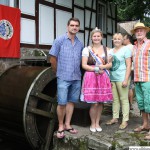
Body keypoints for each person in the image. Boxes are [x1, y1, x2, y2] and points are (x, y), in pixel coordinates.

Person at [49, 17, 84, 138]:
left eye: (76, 26)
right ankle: (60, 125)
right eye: (72, 25)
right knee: (62, 102)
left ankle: (68, 124)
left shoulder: (80, 44)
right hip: (63, 76)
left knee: (71, 102)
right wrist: (57, 72)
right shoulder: (59, 40)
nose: (74, 27)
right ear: (67, 26)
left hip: (76, 77)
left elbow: (81, 60)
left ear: (78, 28)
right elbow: (52, 58)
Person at [81, 27, 113, 132]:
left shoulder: (107, 50)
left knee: (100, 102)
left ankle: (97, 123)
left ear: (101, 37)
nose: (96, 38)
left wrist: (102, 68)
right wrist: (96, 68)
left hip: (103, 76)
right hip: (91, 77)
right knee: (94, 102)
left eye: (98, 36)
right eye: (94, 36)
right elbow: (84, 65)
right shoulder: (87, 50)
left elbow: (110, 64)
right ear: (91, 38)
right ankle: (92, 123)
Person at [106, 33, 131, 129]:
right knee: (115, 100)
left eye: (119, 39)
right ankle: (115, 118)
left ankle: (125, 120)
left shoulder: (126, 50)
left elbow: (128, 65)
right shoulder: (111, 51)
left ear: (122, 40)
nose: (117, 40)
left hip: (122, 78)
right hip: (113, 78)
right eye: (115, 39)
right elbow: (109, 65)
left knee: (123, 99)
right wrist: (109, 61)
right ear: (112, 40)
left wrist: (126, 79)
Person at [131, 22, 150, 139]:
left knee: (149, 104)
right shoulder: (134, 46)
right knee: (141, 104)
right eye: (137, 30)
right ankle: (145, 125)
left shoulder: (149, 43)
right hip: (137, 79)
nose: (139, 32)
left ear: (145, 32)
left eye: (141, 30)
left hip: (148, 78)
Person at [123, 34, 134, 110]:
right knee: (131, 88)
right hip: (133, 69)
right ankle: (131, 104)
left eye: (124, 39)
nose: (123, 40)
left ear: (128, 40)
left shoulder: (126, 48)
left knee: (127, 87)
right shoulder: (134, 47)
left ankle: (127, 104)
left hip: (127, 69)